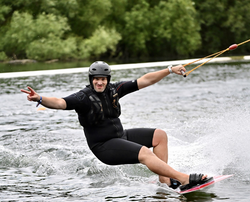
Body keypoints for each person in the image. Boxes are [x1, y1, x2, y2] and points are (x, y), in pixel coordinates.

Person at [21, 61, 210, 191]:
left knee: (160, 136)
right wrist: (41, 98)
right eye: (96, 79)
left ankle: (165, 183)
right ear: (91, 79)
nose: (100, 82)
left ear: (108, 79)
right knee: (145, 152)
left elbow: (145, 80)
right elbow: (60, 102)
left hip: (121, 137)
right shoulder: (82, 98)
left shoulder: (114, 90)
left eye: (103, 78)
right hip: (104, 147)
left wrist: (169, 70)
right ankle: (185, 179)